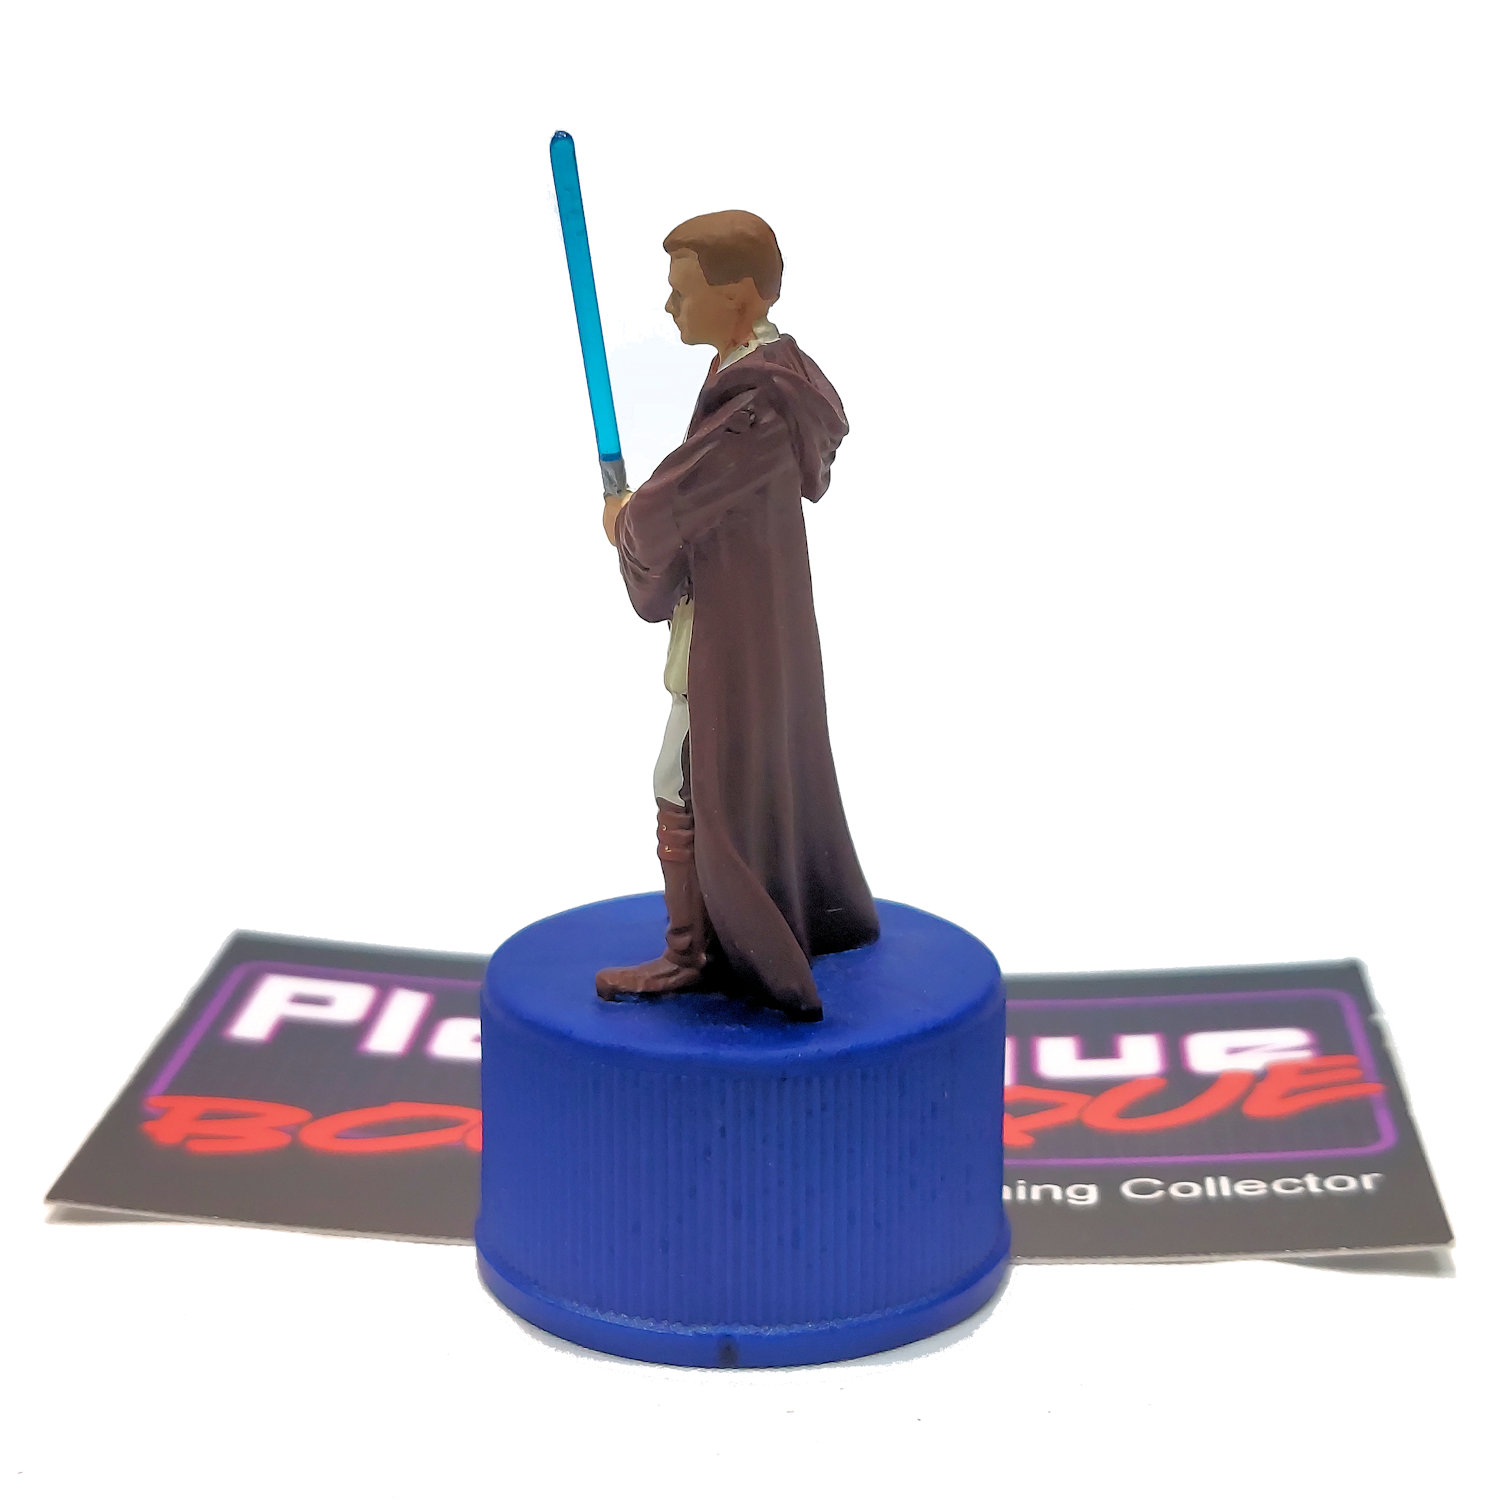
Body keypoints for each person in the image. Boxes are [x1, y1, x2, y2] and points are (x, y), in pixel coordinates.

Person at [594, 210, 878, 1021]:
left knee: (682, 775)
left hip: (736, 623)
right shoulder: (753, 379)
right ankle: (722, 933)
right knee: (737, 773)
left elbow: (677, 500)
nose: (669, 306)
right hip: (744, 605)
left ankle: (691, 954)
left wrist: (625, 519)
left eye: (683, 291)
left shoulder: (757, 406)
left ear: (741, 296)